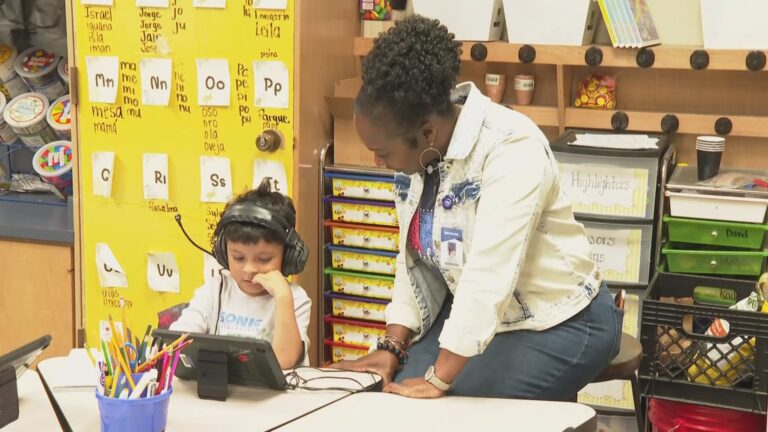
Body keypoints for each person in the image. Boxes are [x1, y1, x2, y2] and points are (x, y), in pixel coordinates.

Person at [335, 15, 623, 400]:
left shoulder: (512, 148)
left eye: (382, 153)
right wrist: (393, 346)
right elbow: (414, 262)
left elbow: (489, 274)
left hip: (562, 320)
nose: (377, 163)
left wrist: (440, 378)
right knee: (383, 393)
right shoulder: (419, 155)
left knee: (452, 408)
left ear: (426, 134)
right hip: (484, 318)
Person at [170, 179, 311, 369]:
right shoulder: (216, 288)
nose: (249, 269)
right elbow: (177, 343)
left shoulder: (294, 298)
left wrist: (282, 296)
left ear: (288, 257)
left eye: (263, 259)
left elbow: (284, 361)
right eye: (238, 258)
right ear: (223, 253)